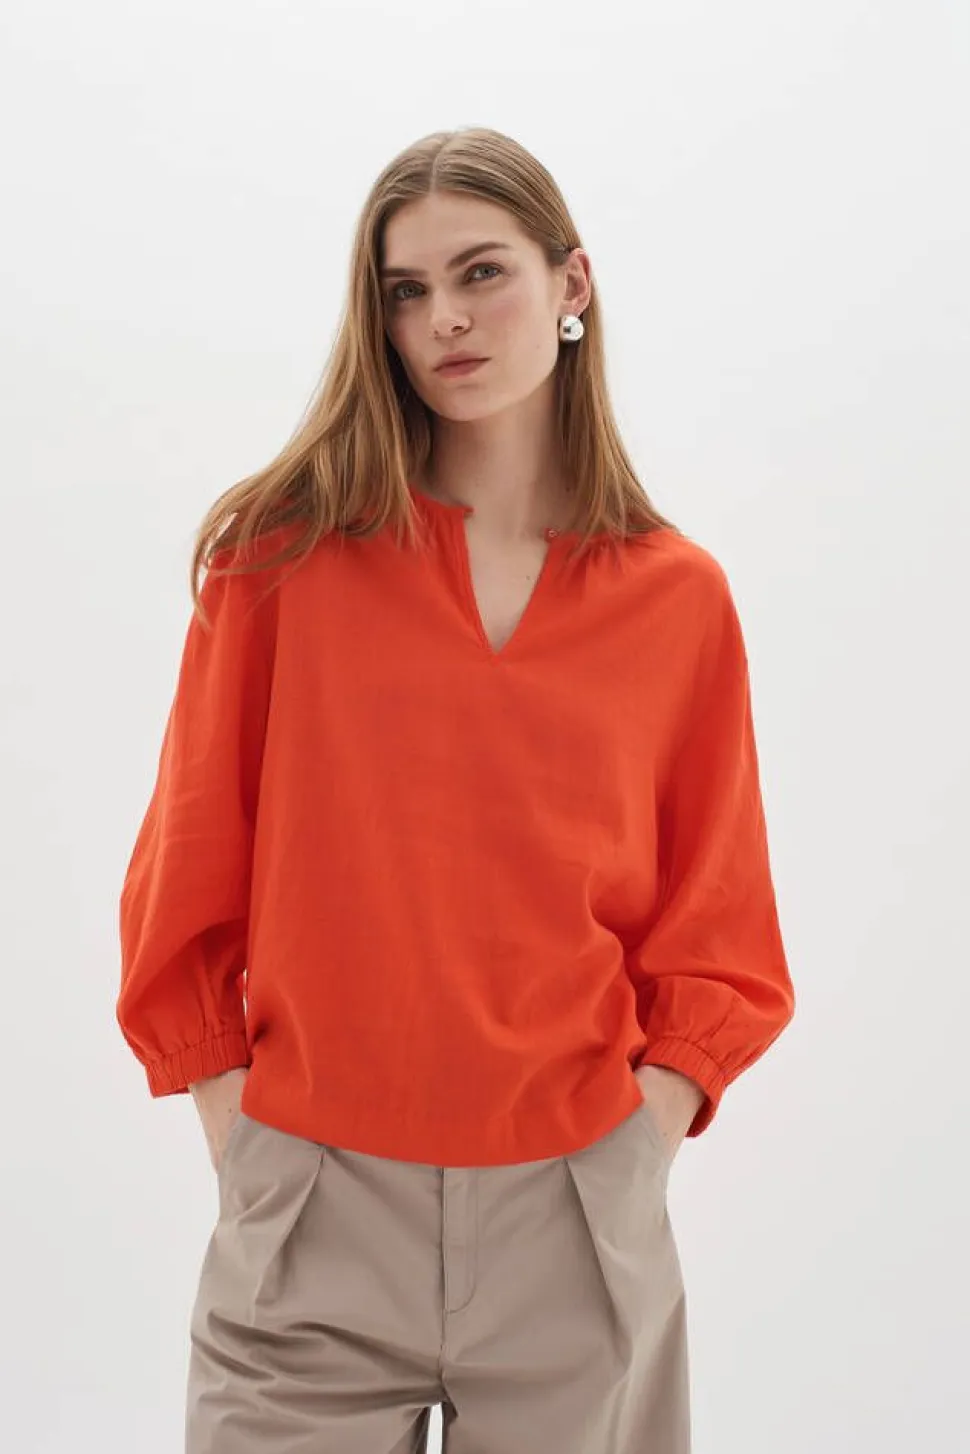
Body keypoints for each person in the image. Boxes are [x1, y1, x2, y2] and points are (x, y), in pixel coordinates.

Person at [116, 125, 795, 1454]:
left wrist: (641, 1135)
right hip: (313, 1203)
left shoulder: (677, 599)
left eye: (482, 272)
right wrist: (241, 1129)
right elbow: (188, 861)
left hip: (575, 1214)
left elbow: (717, 918)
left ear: (571, 283)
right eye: (406, 290)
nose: (445, 319)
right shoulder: (280, 561)